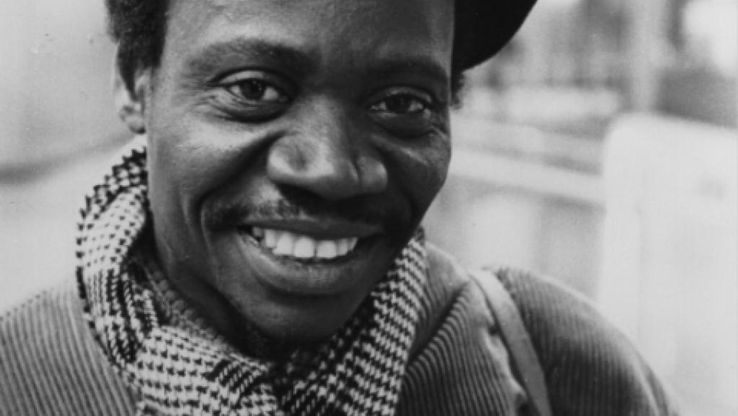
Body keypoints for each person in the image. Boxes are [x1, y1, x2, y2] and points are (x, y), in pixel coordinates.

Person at [0, 0, 679, 415]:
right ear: (135, 83)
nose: (331, 169)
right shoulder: (19, 378)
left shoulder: (559, 366)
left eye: (402, 103)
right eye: (254, 89)